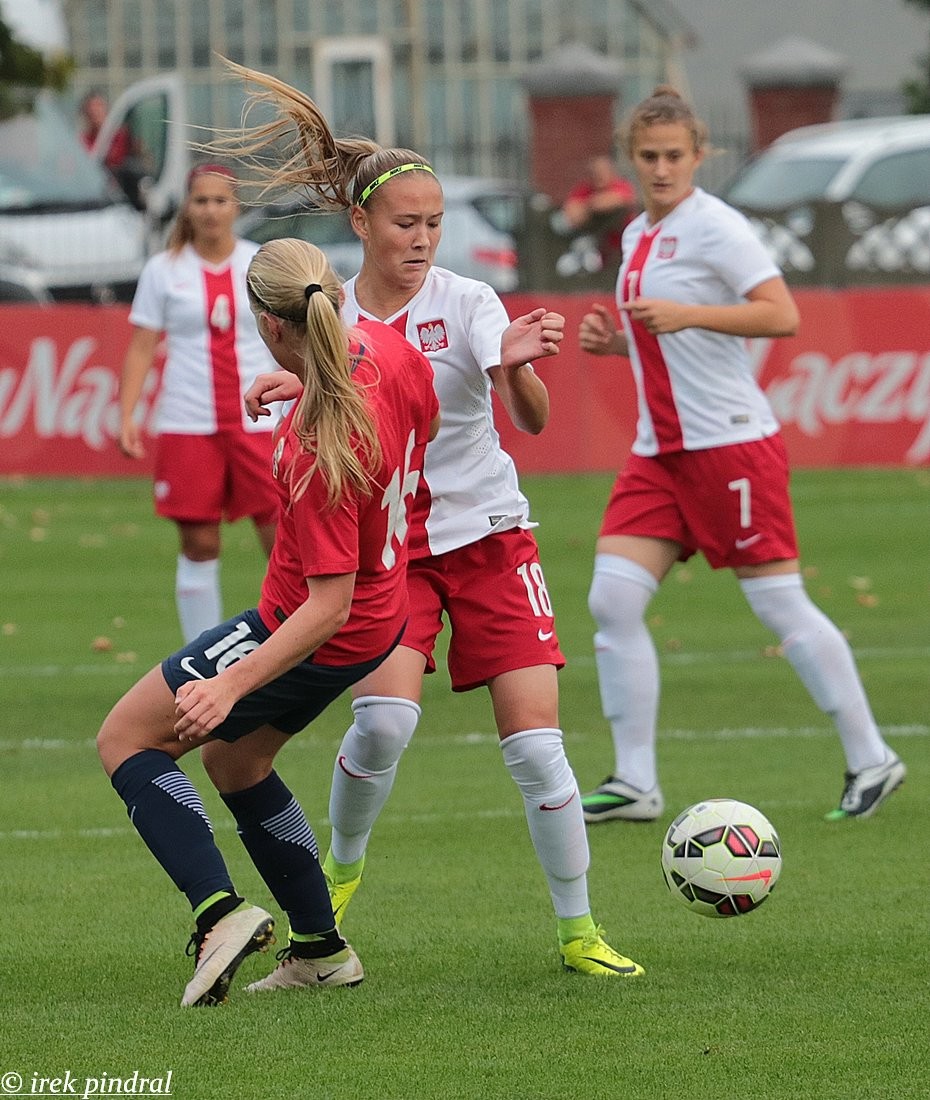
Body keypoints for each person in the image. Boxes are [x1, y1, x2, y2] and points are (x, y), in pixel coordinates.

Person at [201, 62, 644, 981]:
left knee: (535, 748)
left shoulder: (469, 302)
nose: (425, 239)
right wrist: (293, 388)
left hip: (489, 542)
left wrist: (517, 365)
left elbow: (530, 421)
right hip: (392, 561)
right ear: (359, 224)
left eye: (435, 223)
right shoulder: (331, 310)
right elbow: (342, 402)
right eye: (408, 223)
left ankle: (579, 930)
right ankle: (343, 871)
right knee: (383, 731)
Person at [97, 237, 440, 1006]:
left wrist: (233, 683)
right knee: (236, 763)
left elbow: (327, 603)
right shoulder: (386, 348)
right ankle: (320, 948)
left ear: (267, 323)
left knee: (126, 738)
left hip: (313, 627)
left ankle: (218, 913)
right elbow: (419, 420)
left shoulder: (320, 443)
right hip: (385, 614)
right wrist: (306, 381)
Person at [577, 86, 906, 825]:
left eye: (675, 156)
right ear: (633, 159)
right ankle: (635, 782)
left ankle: (871, 756)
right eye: (649, 156)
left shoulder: (717, 227)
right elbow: (662, 332)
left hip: (728, 443)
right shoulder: (637, 234)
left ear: (699, 156)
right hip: (659, 451)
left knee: (778, 602)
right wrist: (618, 341)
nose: (662, 169)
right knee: (612, 600)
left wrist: (687, 313)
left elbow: (781, 314)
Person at [118, 164, 281, 644]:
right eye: (201, 201)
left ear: (237, 207)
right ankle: (201, 654)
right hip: (189, 421)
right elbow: (143, 346)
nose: (211, 211)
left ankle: (295, 647)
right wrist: (127, 414)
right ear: (187, 207)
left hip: (260, 420)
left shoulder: (262, 263)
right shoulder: (163, 270)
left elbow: (290, 339)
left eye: (221, 201)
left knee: (282, 538)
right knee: (199, 542)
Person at [561, 154, 638, 266]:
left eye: (602, 172)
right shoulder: (584, 189)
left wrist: (588, 206)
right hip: (595, 243)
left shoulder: (621, 186)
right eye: (595, 173)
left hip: (623, 244)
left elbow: (618, 201)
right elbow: (571, 214)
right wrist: (592, 205)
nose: (598, 176)